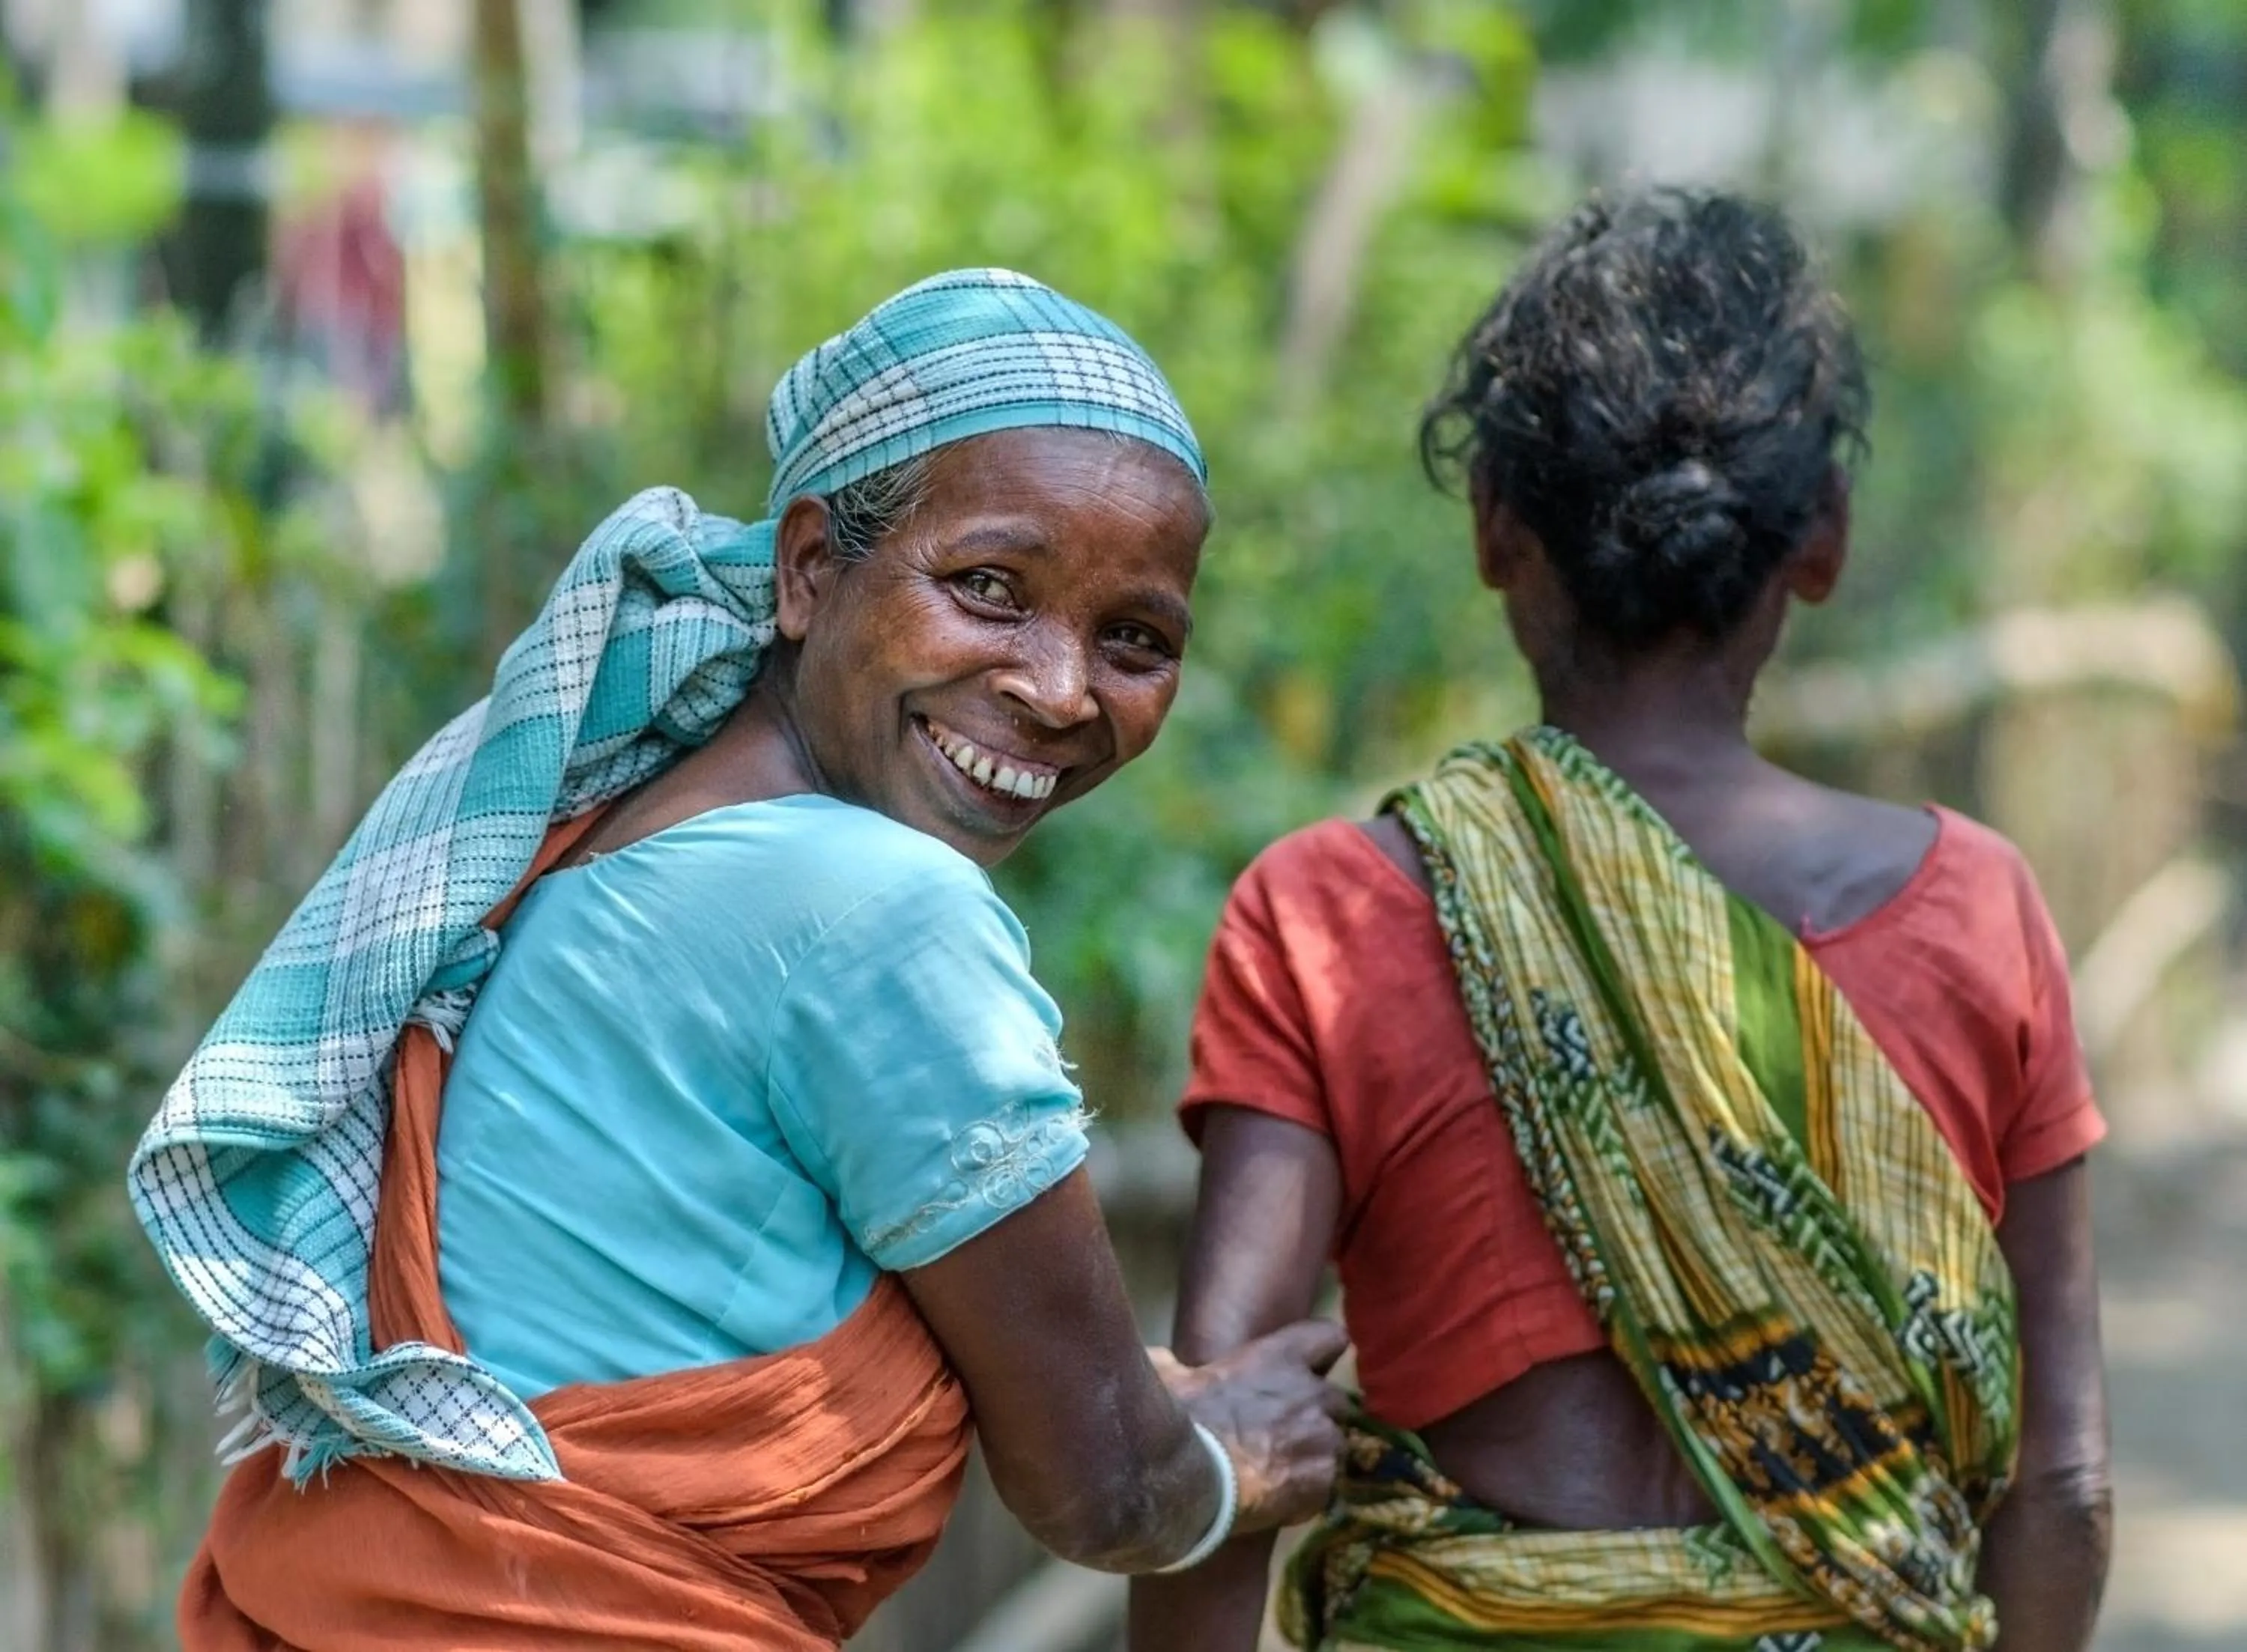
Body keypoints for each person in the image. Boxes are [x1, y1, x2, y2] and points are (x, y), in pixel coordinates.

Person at [129, 269, 1347, 1651]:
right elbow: (1105, 1483)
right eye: (990, 588)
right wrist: (1242, 1454)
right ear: (812, 566)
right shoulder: (874, 907)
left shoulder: (623, 820)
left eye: (1135, 640)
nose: (1062, 689)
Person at [1130, 192, 2113, 1652]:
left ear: (1492, 529)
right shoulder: (1977, 909)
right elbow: (2068, 1486)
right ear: (1822, 540)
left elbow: (1224, 1435)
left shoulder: (1329, 913)